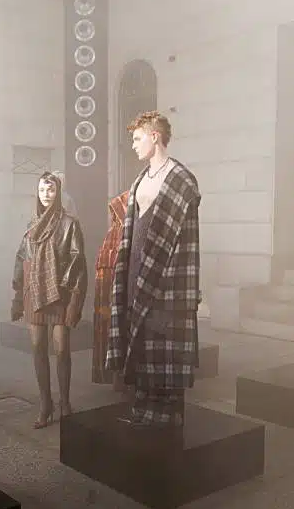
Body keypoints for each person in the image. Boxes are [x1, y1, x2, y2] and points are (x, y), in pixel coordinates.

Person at [105, 110, 201, 427]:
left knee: (163, 341)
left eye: (137, 138)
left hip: (168, 275)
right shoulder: (140, 180)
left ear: (155, 136)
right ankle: (142, 407)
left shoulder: (181, 180)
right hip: (135, 267)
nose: (133, 145)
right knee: (141, 338)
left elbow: (185, 244)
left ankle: (167, 414)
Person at [11, 172, 87, 428]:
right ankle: (46, 404)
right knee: (37, 348)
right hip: (34, 293)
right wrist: (17, 296)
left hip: (59, 294)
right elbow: (21, 259)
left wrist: (71, 296)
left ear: (58, 193)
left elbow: (77, 261)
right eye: (42, 190)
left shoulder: (69, 224)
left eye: (51, 189)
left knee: (62, 348)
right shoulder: (31, 224)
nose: (46, 194)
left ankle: (64, 402)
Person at [92, 189, 129, 387]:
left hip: (122, 287)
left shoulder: (126, 234)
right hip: (108, 288)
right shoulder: (112, 235)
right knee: (110, 330)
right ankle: (113, 376)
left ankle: (120, 377)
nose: (113, 217)